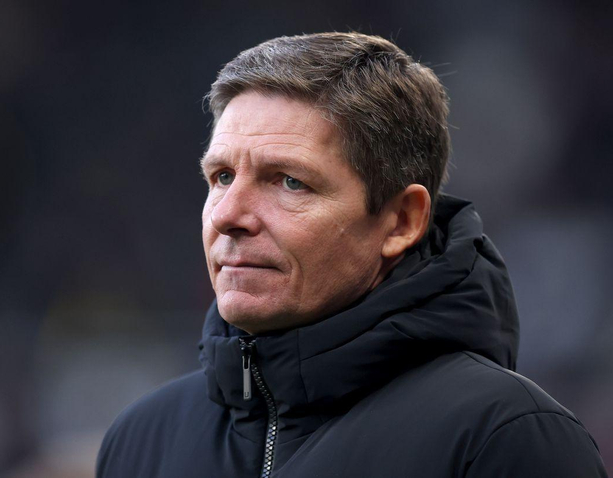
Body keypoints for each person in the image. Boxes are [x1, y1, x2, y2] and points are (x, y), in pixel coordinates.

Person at [97, 32, 607, 477]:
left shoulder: (505, 438)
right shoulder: (141, 439)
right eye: (222, 176)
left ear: (401, 221)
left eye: (289, 181)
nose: (228, 215)